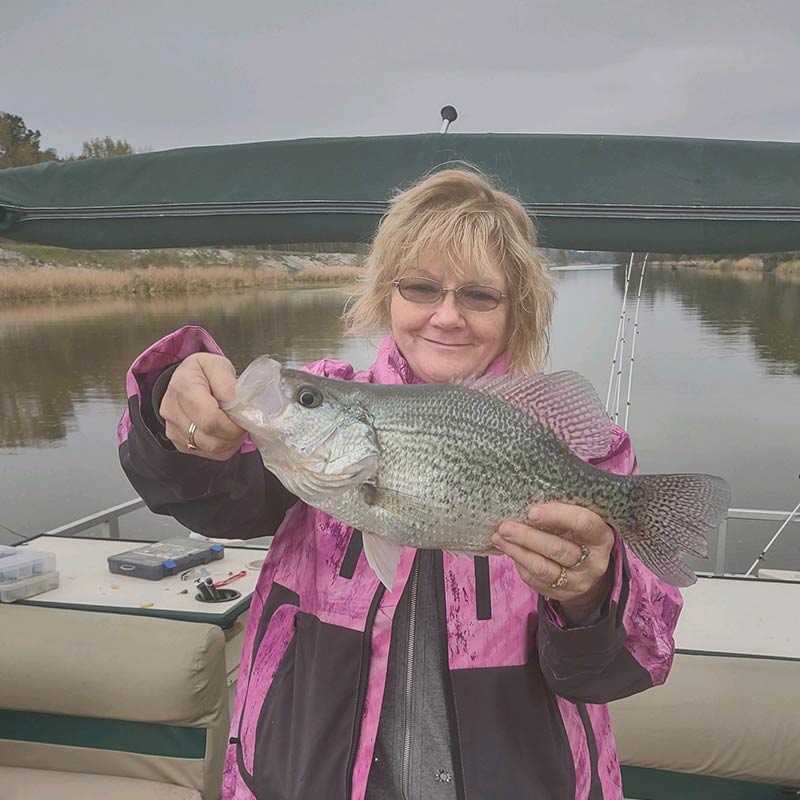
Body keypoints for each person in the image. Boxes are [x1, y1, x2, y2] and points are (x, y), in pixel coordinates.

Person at [119, 167, 683, 800]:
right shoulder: (323, 408)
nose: (446, 316)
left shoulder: (587, 452)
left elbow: (629, 660)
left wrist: (589, 595)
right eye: (420, 288)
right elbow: (195, 492)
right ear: (386, 295)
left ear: (516, 311)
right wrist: (172, 403)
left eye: (479, 296)